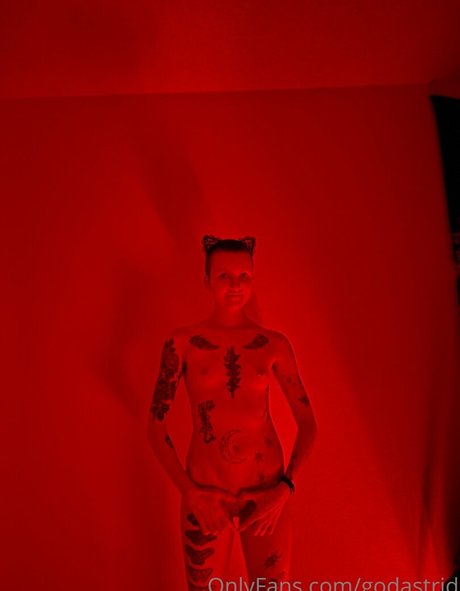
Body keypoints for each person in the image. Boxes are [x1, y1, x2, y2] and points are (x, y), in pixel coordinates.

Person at [147, 234, 317, 590]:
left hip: (266, 494)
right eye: (224, 276)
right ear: (207, 280)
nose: (235, 285)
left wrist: (285, 488)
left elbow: (307, 423)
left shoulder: (273, 344)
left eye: (244, 276)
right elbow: (156, 426)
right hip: (206, 494)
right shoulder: (183, 343)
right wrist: (189, 492)